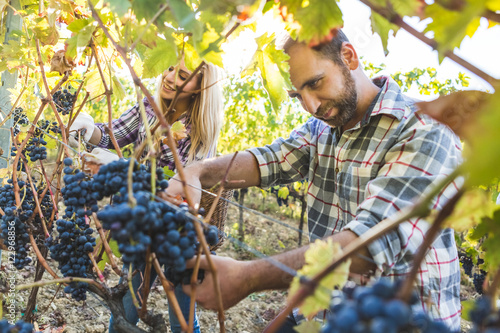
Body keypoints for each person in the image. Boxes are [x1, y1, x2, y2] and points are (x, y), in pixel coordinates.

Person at [165, 30, 462, 331]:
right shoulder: (322, 129)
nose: (311, 106)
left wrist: (249, 277)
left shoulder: (424, 131)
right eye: (297, 96)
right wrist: (198, 171)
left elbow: (370, 245)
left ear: (349, 57)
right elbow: (269, 160)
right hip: (333, 314)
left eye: (315, 83)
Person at [69, 59, 225, 333]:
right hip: (140, 220)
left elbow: (181, 189)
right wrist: (86, 129)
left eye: (183, 75)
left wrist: (122, 169)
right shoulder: (149, 107)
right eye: (169, 68)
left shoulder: (200, 129)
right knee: (127, 303)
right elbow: (110, 135)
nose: (169, 77)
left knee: (182, 315)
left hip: (179, 231)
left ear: (201, 88)